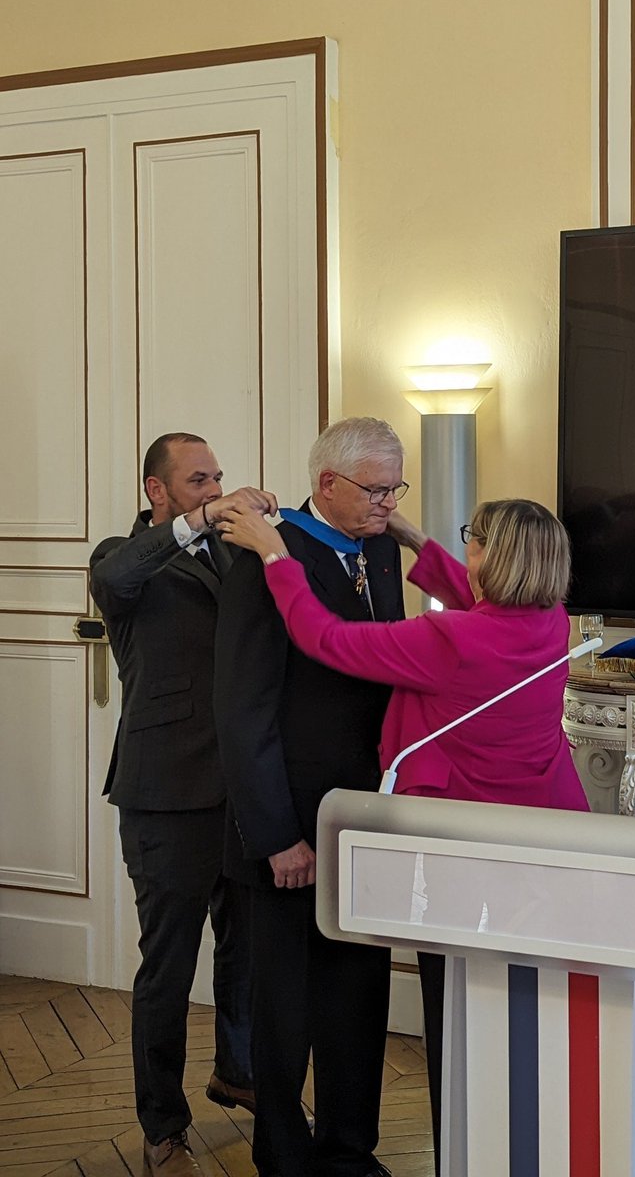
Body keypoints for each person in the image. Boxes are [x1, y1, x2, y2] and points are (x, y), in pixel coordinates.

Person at [215, 495, 589, 1175]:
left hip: (458, 848)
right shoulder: (549, 622)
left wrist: (274, 553)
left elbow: (323, 638)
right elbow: (479, 600)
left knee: (457, 1014)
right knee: (507, 1013)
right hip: (534, 840)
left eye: (471, 542)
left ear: (493, 560)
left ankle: (467, 1155)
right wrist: (418, 539)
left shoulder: (453, 641)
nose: (464, 552)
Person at [213, 417, 407, 1177]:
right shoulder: (266, 554)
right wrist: (274, 834)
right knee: (286, 1010)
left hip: (364, 817)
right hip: (288, 824)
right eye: (376, 489)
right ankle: (285, 1158)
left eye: (398, 487)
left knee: (357, 996)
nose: (389, 502)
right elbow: (243, 708)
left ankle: (349, 1153)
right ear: (327, 484)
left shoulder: (382, 547)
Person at [89, 432, 277, 1177]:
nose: (214, 490)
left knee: (246, 950)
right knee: (167, 966)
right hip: (166, 795)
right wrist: (200, 522)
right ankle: (162, 1121)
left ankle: (237, 1071)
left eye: (219, 478)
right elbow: (119, 577)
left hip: (242, 790)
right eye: (197, 480)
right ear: (156, 490)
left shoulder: (232, 552)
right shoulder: (122, 558)